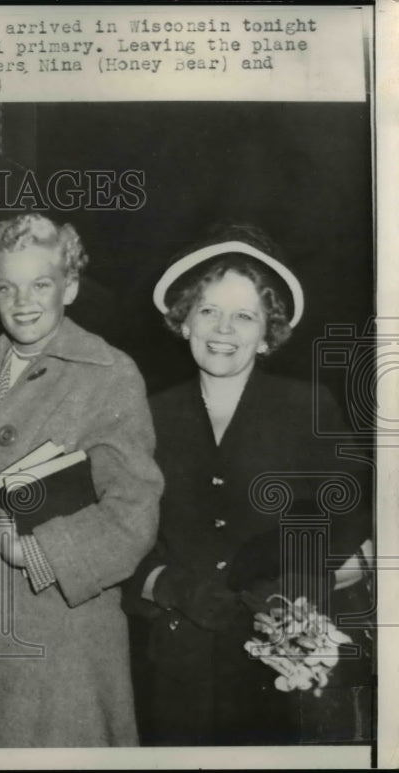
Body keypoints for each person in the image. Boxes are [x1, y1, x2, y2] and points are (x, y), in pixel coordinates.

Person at [0, 214, 163, 747]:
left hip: (66, 642)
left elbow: (135, 509)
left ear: (68, 286)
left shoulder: (108, 374)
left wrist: (42, 552)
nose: (24, 300)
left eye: (40, 284)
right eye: (7, 286)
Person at [125, 225, 373, 745]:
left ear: (266, 335)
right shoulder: (145, 416)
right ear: (184, 320)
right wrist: (165, 585)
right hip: (179, 664)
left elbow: (356, 510)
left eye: (244, 316)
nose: (223, 329)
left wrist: (318, 573)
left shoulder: (307, 406)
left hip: (288, 662)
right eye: (209, 310)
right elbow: (121, 534)